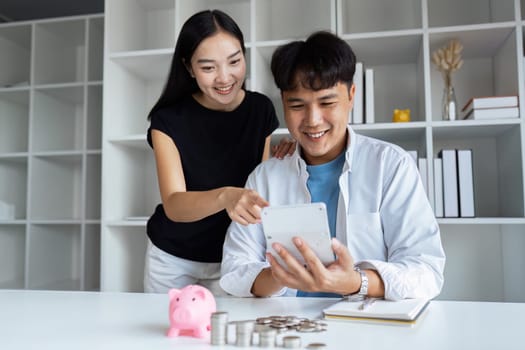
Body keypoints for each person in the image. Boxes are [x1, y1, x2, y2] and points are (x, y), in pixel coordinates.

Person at [220, 31, 446, 300]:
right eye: (297, 105)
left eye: (327, 102)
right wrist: (277, 276)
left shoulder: (390, 166)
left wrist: (355, 282)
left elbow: (426, 272)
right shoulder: (265, 178)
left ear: (351, 95)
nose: (313, 120)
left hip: (365, 331)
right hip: (287, 330)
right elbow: (234, 271)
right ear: (283, 103)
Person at [144, 9, 292, 294]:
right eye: (208, 67)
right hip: (173, 258)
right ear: (189, 68)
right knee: (171, 335)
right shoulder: (168, 120)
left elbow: (256, 184)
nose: (225, 78)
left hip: (233, 257)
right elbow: (174, 205)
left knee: (226, 336)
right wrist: (227, 196)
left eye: (234, 61)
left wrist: (282, 161)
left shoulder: (260, 110)